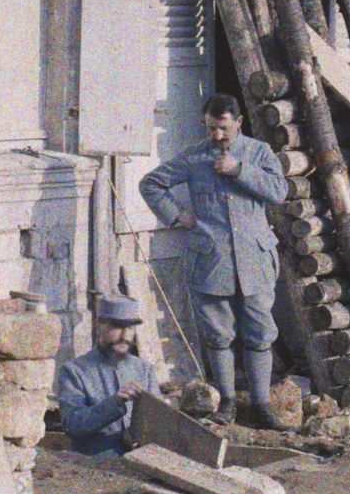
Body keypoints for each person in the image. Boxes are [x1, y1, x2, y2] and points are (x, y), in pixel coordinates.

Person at [140, 93, 294, 430]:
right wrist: (178, 215)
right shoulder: (195, 156)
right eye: (211, 128)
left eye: (223, 128)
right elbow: (150, 183)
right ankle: (226, 404)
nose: (217, 136)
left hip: (254, 260)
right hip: (212, 261)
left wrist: (239, 170)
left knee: (259, 333)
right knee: (218, 336)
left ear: (238, 123)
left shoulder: (258, 153)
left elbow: (278, 191)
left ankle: (261, 406)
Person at [55, 295, 161, 457]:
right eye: (118, 327)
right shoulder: (74, 371)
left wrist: (139, 436)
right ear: (99, 326)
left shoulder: (144, 369)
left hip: (142, 467)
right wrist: (114, 403)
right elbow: (73, 427)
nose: (126, 336)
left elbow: (158, 421)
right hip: (95, 469)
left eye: (131, 328)